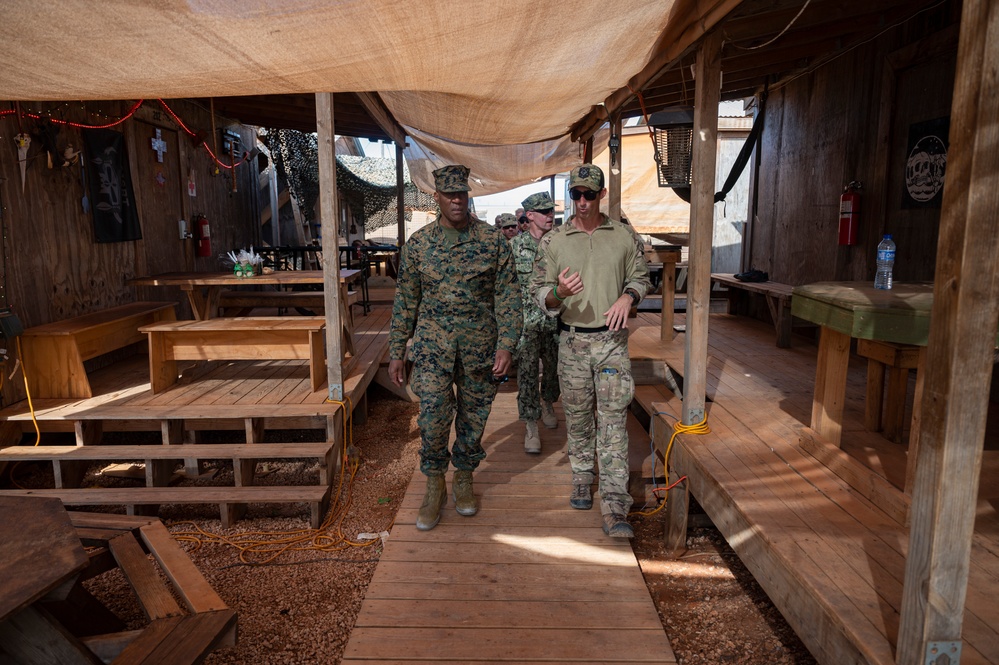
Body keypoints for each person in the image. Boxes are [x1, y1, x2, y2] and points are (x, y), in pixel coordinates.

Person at [388, 165, 521, 531]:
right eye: (449, 194)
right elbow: (406, 302)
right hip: (432, 351)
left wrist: (507, 345)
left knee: (473, 419)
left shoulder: (492, 241)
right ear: (437, 198)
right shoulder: (418, 245)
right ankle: (434, 485)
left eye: (462, 193)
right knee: (432, 419)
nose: (457, 200)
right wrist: (397, 351)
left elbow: (508, 296)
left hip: (480, 349)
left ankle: (463, 477)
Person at [531, 164, 651, 539]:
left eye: (589, 194)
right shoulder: (554, 241)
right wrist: (558, 294)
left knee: (614, 419)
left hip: (612, 342)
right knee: (579, 416)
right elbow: (539, 292)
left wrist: (627, 297)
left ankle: (615, 504)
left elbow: (641, 277)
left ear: (601, 194)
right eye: (576, 195)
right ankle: (582, 476)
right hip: (572, 343)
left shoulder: (624, 236)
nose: (581, 202)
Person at [511, 192, 560, 453]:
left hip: (554, 321)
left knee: (553, 370)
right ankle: (530, 425)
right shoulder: (515, 247)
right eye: (544, 211)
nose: (550, 215)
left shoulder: (560, 243)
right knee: (527, 375)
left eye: (551, 210)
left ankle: (548, 402)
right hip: (526, 324)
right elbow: (506, 287)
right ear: (530, 216)